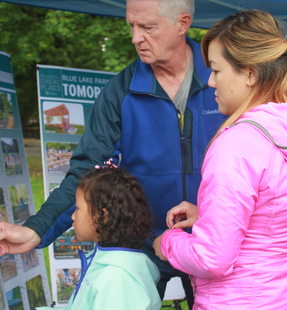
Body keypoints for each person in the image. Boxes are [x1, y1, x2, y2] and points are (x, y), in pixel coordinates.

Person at [0, 0, 225, 306]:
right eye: (131, 26)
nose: (135, 37)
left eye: (147, 27)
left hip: (214, 241)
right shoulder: (120, 90)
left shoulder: (225, 77)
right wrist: (37, 229)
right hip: (142, 245)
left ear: (182, 23)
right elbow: (86, 172)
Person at [153, 9, 287, 310]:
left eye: (216, 70)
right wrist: (210, 216)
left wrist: (167, 244)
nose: (210, 82)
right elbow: (279, 221)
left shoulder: (238, 144)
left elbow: (212, 259)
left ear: (250, 74)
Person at [36, 165, 162, 310]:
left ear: (102, 215)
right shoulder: (107, 264)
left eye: (78, 209)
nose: (72, 216)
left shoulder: (116, 278)